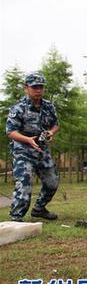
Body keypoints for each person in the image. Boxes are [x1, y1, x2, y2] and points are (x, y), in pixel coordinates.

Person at [6, 72, 60, 222]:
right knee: (24, 182)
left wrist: (50, 132)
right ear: (26, 88)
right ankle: (16, 218)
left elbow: (55, 124)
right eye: (35, 87)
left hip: (42, 150)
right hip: (23, 150)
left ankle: (39, 209)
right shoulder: (18, 108)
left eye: (41, 87)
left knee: (52, 182)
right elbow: (10, 132)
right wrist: (28, 140)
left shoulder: (48, 106)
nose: (38, 90)